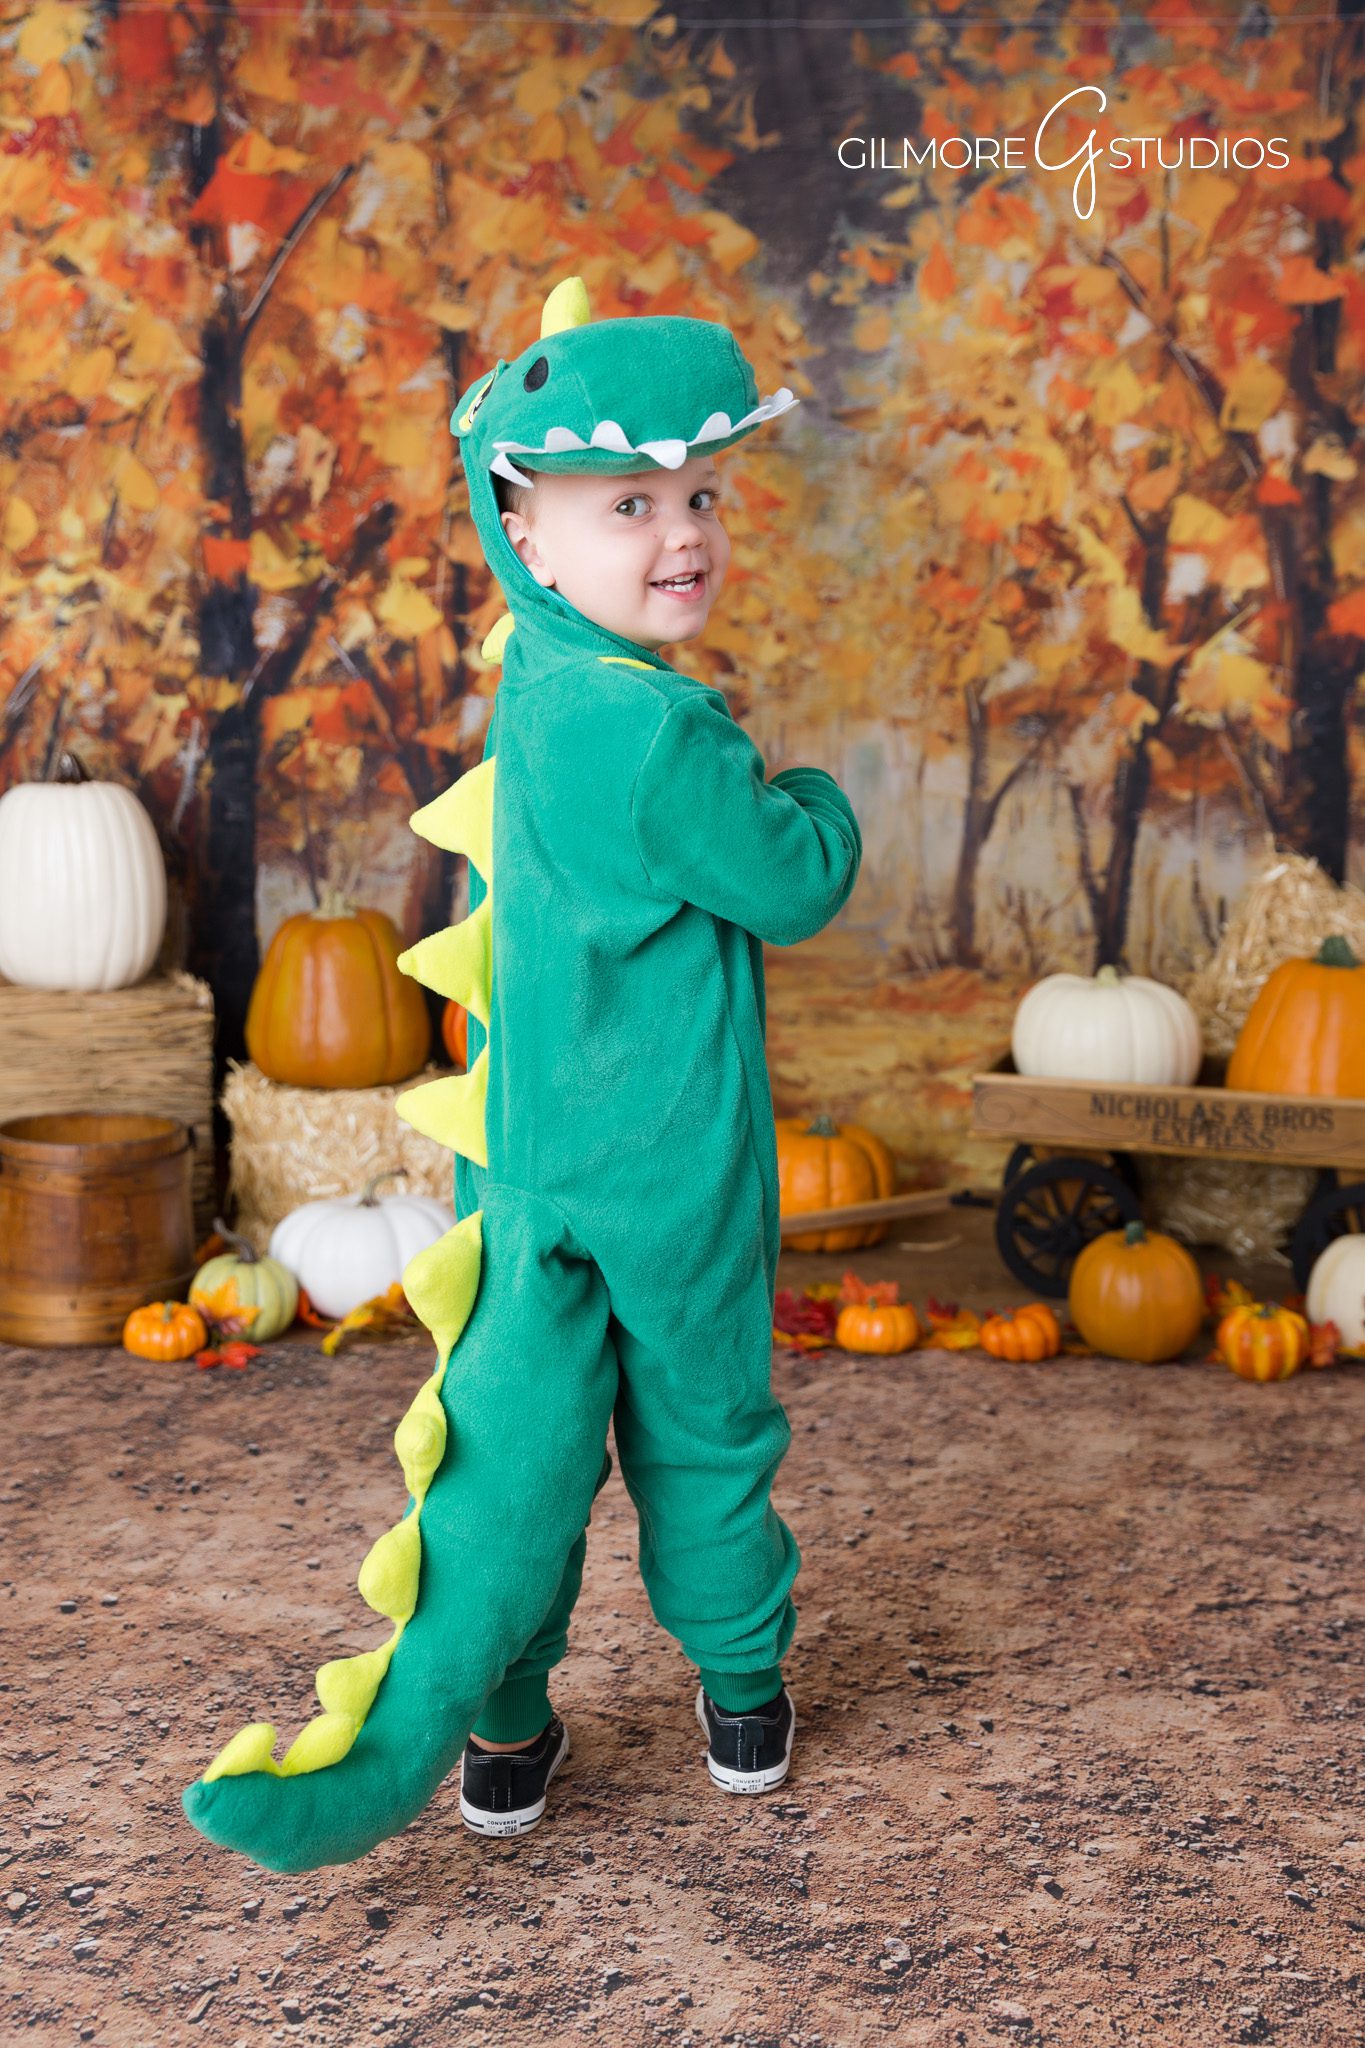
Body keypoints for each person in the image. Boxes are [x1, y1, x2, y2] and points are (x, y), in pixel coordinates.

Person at [181, 276, 861, 1873]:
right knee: (698, 1432)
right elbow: (795, 881)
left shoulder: (541, 688)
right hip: (672, 1176)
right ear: (528, 534)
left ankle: (499, 1732)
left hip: (522, 1169)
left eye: (700, 496)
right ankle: (743, 1695)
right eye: (629, 503)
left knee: (514, 1448)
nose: (683, 533)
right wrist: (815, 790)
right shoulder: (662, 737)